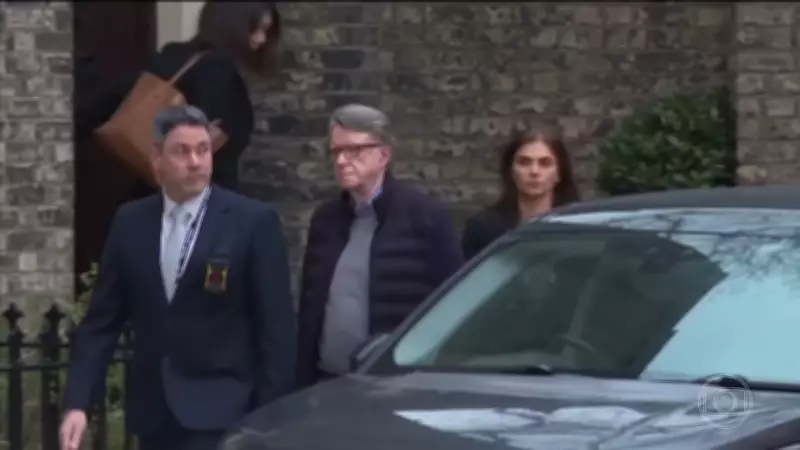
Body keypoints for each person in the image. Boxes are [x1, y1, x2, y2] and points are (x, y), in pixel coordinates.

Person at [60, 106, 296, 450]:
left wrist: (269, 418)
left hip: (225, 412)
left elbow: (276, 329)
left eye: (203, 150)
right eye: (182, 151)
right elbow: (102, 322)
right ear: (157, 156)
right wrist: (78, 403)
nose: (195, 162)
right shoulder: (131, 222)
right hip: (155, 415)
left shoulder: (251, 222)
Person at [74, 1, 282, 284]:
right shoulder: (219, 70)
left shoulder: (173, 56)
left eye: (266, 32)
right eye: (255, 29)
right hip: (200, 217)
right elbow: (213, 148)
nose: (260, 40)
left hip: (149, 201)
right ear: (231, 23)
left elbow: (108, 101)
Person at [295, 104, 464, 388]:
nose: (341, 161)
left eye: (354, 150)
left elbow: (452, 304)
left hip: (395, 383)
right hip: (326, 381)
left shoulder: (424, 217)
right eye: (336, 151)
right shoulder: (326, 219)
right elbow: (311, 306)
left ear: (383, 155)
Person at [461, 128, 581, 259]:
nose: (534, 171)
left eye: (545, 163)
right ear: (511, 171)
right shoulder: (484, 227)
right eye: (524, 162)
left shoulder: (576, 227)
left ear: (559, 173)